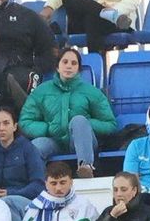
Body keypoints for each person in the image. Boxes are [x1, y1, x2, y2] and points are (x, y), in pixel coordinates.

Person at [18, 46, 114, 180]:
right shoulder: (42, 91)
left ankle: (86, 168)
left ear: (79, 69)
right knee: (36, 146)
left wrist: (85, 124)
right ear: (57, 67)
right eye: (65, 62)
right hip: (53, 141)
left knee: (79, 120)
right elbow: (25, 122)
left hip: (83, 141)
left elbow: (110, 124)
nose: (69, 66)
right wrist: (47, 128)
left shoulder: (92, 92)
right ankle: (37, 182)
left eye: (74, 63)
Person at [0, 110, 44, 221]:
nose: (1, 128)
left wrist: (10, 193)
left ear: (15, 126)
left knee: (7, 203)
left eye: (6, 123)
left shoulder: (28, 149)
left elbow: (39, 185)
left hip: (26, 202)